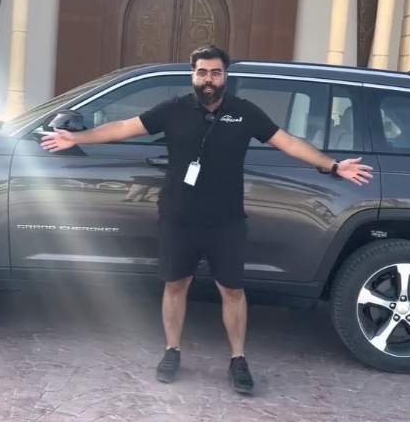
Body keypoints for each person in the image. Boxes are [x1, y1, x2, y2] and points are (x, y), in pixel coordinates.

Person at [41, 46, 374, 395]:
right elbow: (124, 127)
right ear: (193, 75)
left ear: (225, 76)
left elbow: (287, 142)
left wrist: (333, 165)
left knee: (232, 290)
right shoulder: (174, 109)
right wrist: (76, 137)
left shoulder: (244, 112)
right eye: (202, 72)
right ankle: (172, 351)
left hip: (226, 221)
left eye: (215, 72)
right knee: (176, 284)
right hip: (178, 217)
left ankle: (238, 358)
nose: (209, 79)